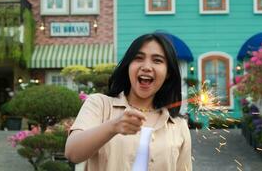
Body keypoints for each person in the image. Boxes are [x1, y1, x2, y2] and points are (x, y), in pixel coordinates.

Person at [65, 33, 192, 171]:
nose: (146, 67)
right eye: (138, 58)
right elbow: (72, 153)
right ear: (128, 66)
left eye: (157, 60)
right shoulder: (100, 104)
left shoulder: (178, 126)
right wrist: (113, 126)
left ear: (168, 73)